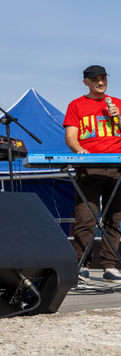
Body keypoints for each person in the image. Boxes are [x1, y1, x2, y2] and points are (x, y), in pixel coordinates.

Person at [63, 65, 121, 282]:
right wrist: (80, 150)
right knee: (86, 217)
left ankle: (109, 266)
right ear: (85, 82)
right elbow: (71, 136)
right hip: (89, 166)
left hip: (117, 166)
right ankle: (81, 265)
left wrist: (118, 116)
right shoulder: (76, 105)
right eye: (95, 79)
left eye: (103, 78)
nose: (100, 82)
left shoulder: (117, 104)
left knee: (114, 218)